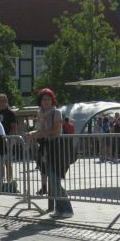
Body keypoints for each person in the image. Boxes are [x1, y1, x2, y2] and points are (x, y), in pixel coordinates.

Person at [27, 87, 73, 219]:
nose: (46, 101)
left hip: (56, 148)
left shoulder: (56, 112)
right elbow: (38, 129)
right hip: (45, 148)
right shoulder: (40, 113)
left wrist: (38, 133)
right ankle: (59, 209)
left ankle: (67, 209)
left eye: (48, 99)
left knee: (54, 180)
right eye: (43, 99)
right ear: (40, 101)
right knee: (52, 181)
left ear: (52, 100)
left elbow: (56, 131)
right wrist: (34, 132)